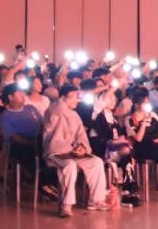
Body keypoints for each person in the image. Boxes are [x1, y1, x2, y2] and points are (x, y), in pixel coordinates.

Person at [42, 86, 110, 217]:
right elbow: (57, 107)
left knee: (96, 162)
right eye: (74, 97)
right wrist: (66, 98)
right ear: (63, 99)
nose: (77, 100)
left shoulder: (75, 115)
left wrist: (82, 147)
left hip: (72, 152)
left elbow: (81, 136)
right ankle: (66, 205)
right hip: (55, 152)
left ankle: (96, 200)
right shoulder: (52, 111)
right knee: (70, 165)